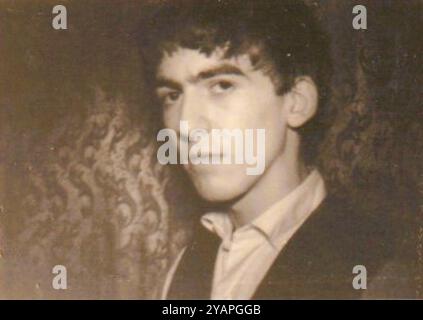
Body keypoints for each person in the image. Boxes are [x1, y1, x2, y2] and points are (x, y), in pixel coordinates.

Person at [138, 0, 416, 299]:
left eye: (222, 86)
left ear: (296, 103)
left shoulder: (381, 274)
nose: (185, 125)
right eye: (172, 95)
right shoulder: (185, 267)